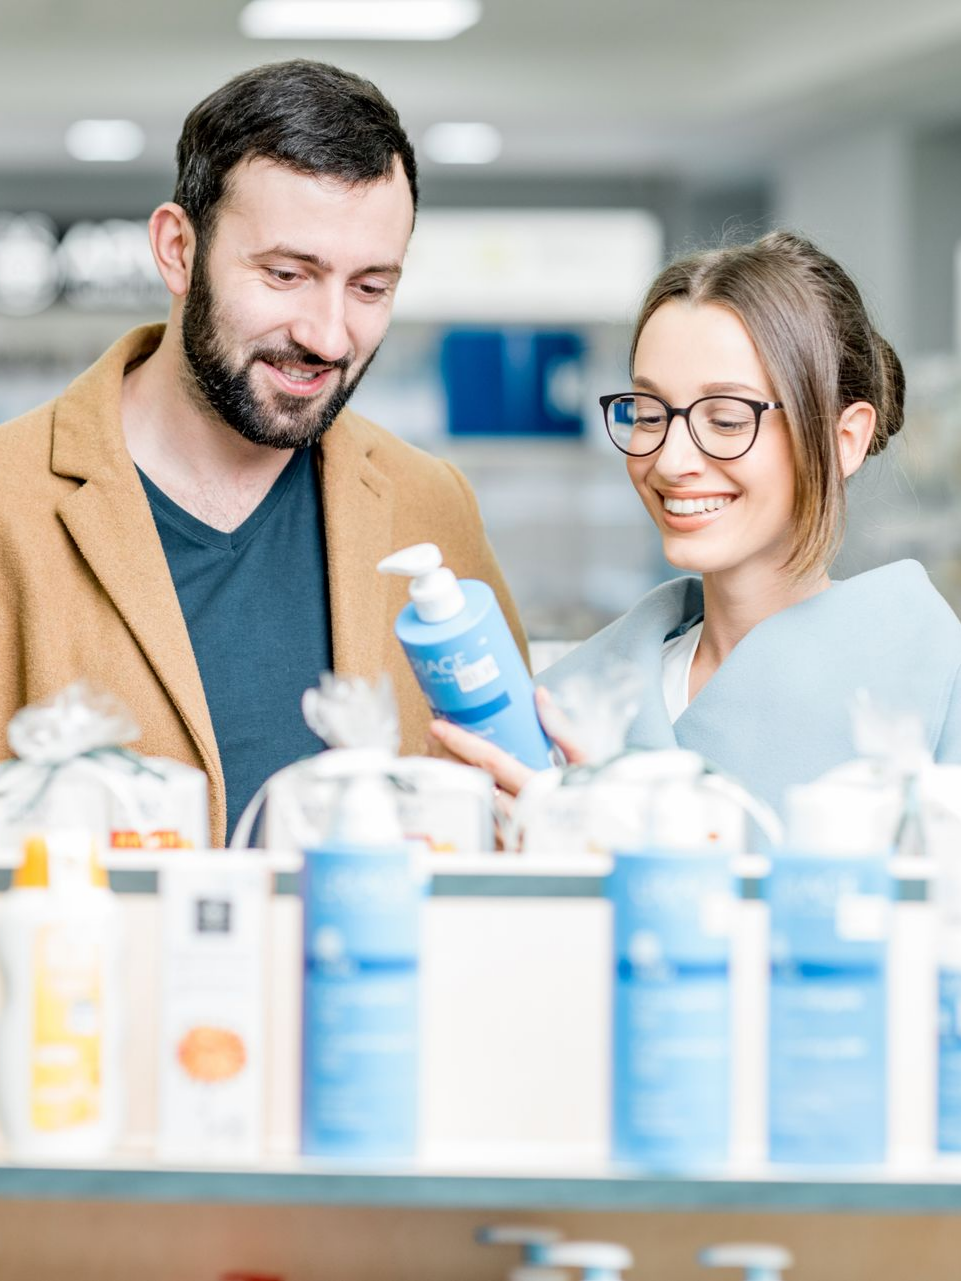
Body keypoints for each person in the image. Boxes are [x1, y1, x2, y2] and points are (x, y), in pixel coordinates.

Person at [0, 60, 524, 845]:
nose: (328, 334)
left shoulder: (430, 502)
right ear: (177, 249)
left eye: (370, 287)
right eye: (287, 274)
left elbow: (513, 805)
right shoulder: (13, 500)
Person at [432, 230, 961, 820]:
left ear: (845, 440)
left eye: (728, 419)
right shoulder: (570, 700)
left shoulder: (931, 679)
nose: (669, 460)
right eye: (647, 412)